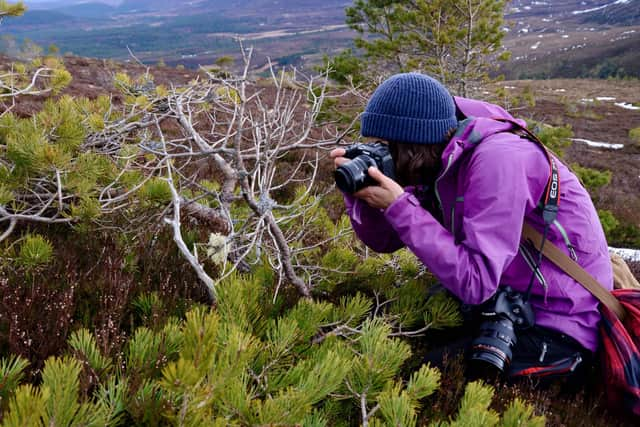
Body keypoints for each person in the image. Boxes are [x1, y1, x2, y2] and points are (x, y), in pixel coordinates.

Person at [330, 73, 613, 388]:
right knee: (387, 330)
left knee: (417, 379)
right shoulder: (440, 152)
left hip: (560, 322)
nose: (383, 153)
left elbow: (476, 281)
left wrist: (399, 206)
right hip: (504, 299)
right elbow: (383, 241)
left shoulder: (498, 160)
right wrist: (362, 193)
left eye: (388, 147)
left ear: (415, 144)